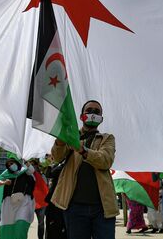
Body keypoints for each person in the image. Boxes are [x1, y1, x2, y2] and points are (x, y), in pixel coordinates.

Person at [50, 100, 119, 239]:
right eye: (89, 110)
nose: (93, 114)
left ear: (101, 118)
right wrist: (60, 139)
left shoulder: (107, 138)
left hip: (102, 208)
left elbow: (105, 160)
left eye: (96, 111)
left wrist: (82, 150)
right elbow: (56, 157)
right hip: (74, 207)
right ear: (81, 116)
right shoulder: (71, 136)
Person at [0, 153, 36, 239]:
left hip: (24, 202)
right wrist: (4, 182)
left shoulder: (25, 170)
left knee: (21, 224)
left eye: (12, 163)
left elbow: (31, 170)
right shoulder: (6, 173)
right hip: (9, 204)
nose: (11, 165)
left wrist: (25, 160)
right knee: (8, 225)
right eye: (8, 164)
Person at [44, 161, 67, 239]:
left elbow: (51, 174)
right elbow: (48, 174)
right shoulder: (57, 164)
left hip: (62, 200)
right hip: (53, 202)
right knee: (51, 228)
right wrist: (51, 165)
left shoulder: (66, 164)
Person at [28, 159, 49, 239]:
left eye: (34, 164)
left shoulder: (42, 176)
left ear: (37, 166)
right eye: (31, 164)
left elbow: (45, 188)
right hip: (31, 202)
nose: (32, 166)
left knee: (41, 223)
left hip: (41, 203)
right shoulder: (27, 175)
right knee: (26, 221)